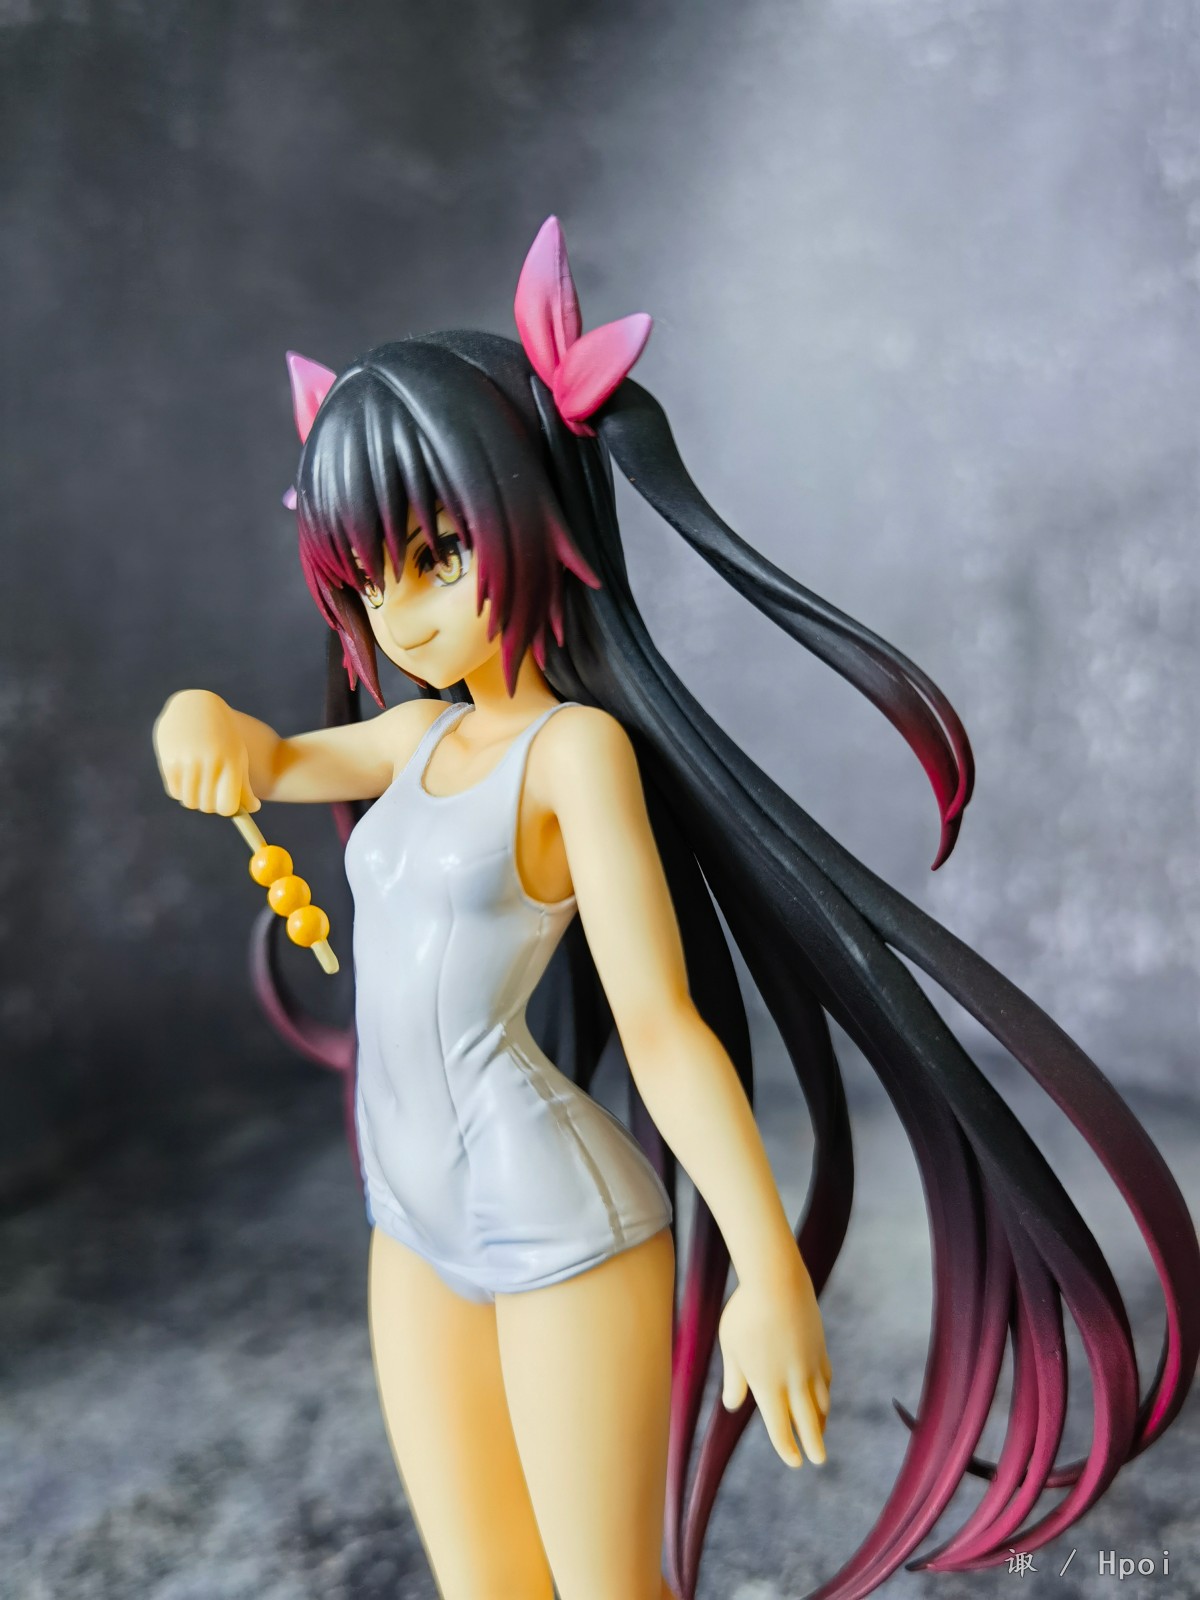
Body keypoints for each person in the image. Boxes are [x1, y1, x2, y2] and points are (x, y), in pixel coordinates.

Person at [152, 218, 1198, 1600]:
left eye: (435, 553)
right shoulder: (414, 738)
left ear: (527, 517)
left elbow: (661, 1025)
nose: (402, 613)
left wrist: (769, 1267)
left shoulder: (572, 757)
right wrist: (197, 718)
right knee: (481, 1584)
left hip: (559, 1230)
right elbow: (271, 759)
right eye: (365, 576)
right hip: (406, 1225)